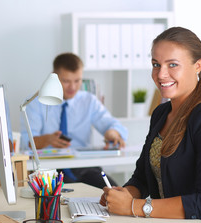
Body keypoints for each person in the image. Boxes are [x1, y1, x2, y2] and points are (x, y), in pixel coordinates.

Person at [100, 27, 201, 223]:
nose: (161, 74)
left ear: (198, 66)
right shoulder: (161, 114)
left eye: (173, 65)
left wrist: (134, 206)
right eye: (156, 64)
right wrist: (121, 195)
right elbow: (141, 178)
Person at [21, 53, 128, 188]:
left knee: (115, 192)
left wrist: (112, 133)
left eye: (77, 81)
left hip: (85, 167)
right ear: (54, 77)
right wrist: (47, 139)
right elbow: (25, 143)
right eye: (66, 81)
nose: (72, 87)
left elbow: (111, 124)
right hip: (49, 170)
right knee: (67, 195)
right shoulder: (36, 102)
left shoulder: (88, 101)